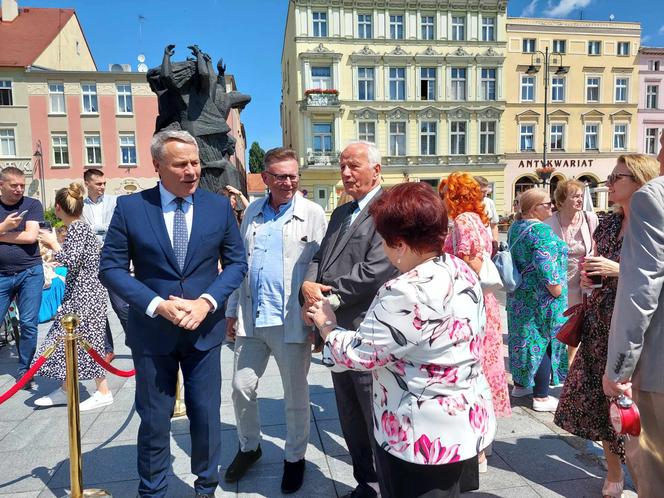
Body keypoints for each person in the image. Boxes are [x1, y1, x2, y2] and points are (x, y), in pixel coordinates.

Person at [307, 182, 496, 498]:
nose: (382, 247)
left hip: (419, 434)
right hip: (461, 419)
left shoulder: (404, 291)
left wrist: (327, 324)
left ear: (401, 245)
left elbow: (359, 355)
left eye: (384, 240)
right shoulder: (459, 269)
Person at [99, 130, 247, 498]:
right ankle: (153, 490)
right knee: (153, 418)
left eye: (194, 162)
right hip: (153, 332)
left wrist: (207, 302)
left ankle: (205, 487)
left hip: (203, 330)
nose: (191, 171)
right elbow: (111, 268)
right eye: (180, 164)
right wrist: (156, 304)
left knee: (206, 415)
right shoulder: (132, 208)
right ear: (157, 166)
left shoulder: (217, 207)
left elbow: (236, 263)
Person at [223, 148, 327, 493]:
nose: (288, 182)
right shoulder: (252, 211)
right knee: (241, 387)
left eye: (293, 176)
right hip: (252, 320)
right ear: (265, 177)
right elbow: (240, 266)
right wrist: (230, 312)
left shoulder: (312, 213)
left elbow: (321, 267)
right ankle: (249, 447)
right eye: (280, 176)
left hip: (290, 321)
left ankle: (294, 458)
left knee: (295, 396)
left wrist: (319, 323)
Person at [300, 141, 397, 498]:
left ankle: (386, 484)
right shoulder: (342, 212)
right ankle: (365, 482)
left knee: (373, 411)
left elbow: (376, 269)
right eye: (343, 166)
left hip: (367, 328)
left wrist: (327, 295)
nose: (345, 173)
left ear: (376, 169)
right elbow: (320, 256)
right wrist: (308, 284)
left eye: (353, 166)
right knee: (349, 412)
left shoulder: (388, 212)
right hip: (334, 330)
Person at [602, 139, 664, 498]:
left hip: (657, 367)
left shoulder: (652, 197)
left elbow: (640, 290)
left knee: (654, 477)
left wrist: (619, 369)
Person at [439, 172, 511, 473]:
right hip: (482, 306)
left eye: (444, 192)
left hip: (471, 307)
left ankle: (478, 450)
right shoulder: (475, 219)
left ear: (454, 195)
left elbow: (472, 265)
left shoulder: (464, 221)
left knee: (474, 372)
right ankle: (483, 442)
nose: (440, 198)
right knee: (481, 369)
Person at [32, 183, 112, 410]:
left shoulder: (77, 228)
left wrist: (53, 243)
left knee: (85, 340)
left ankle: (102, 390)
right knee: (71, 340)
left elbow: (71, 260)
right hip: (84, 293)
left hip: (84, 295)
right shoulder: (82, 227)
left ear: (58, 207)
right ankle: (67, 388)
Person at [507, 188, 568, 412]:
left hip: (520, 296)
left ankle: (521, 386)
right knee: (543, 342)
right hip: (542, 299)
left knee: (523, 340)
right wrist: (557, 291)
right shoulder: (541, 231)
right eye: (547, 203)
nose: (551, 207)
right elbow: (546, 267)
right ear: (534, 208)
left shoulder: (516, 227)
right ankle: (541, 397)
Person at [544, 179, 598, 365]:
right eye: (575, 196)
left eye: (581, 196)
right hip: (559, 282)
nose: (579, 199)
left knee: (578, 323)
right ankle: (558, 366)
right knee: (559, 324)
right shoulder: (549, 223)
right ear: (561, 200)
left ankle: (571, 364)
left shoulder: (590, 219)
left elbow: (596, 246)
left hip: (582, 281)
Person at [0, 166, 44, 389]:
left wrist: (1, 234)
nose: (19, 189)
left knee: (28, 323)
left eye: (22, 185)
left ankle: (25, 369)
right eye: (13, 185)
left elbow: (30, 237)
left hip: (30, 272)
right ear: (1, 185)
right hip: (1, 276)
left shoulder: (31, 205)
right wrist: (4, 226)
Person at [82, 168, 129, 363]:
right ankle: (107, 349)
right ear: (87, 184)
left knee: (122, 305)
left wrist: (95, 230)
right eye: (98, 183)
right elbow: (79, 229)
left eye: (104, 184)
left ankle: (137, 340)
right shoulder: (79, 206)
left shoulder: (115, 201)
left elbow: (116, 228)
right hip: (90, 261)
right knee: (97, 309)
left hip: (113, 259)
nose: (102, 187)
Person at [474, 176, 499, 245]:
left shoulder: (489, 202)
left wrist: (495, 242)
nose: (485, 195)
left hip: (488, 245)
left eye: (486, 192)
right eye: (482, 192)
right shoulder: (464, 205)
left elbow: (494, 226)